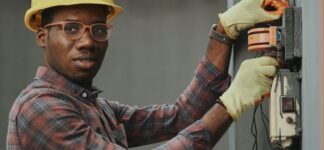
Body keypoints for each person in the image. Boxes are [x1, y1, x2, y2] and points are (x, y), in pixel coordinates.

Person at [7, 0, 282, 149]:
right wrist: (230, 105)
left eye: (98, 29)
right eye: (71, 28)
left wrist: (223, 31)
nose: (87, 41)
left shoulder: (94, 107)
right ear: (42, 36)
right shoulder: (40, 108)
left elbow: (179, 118)